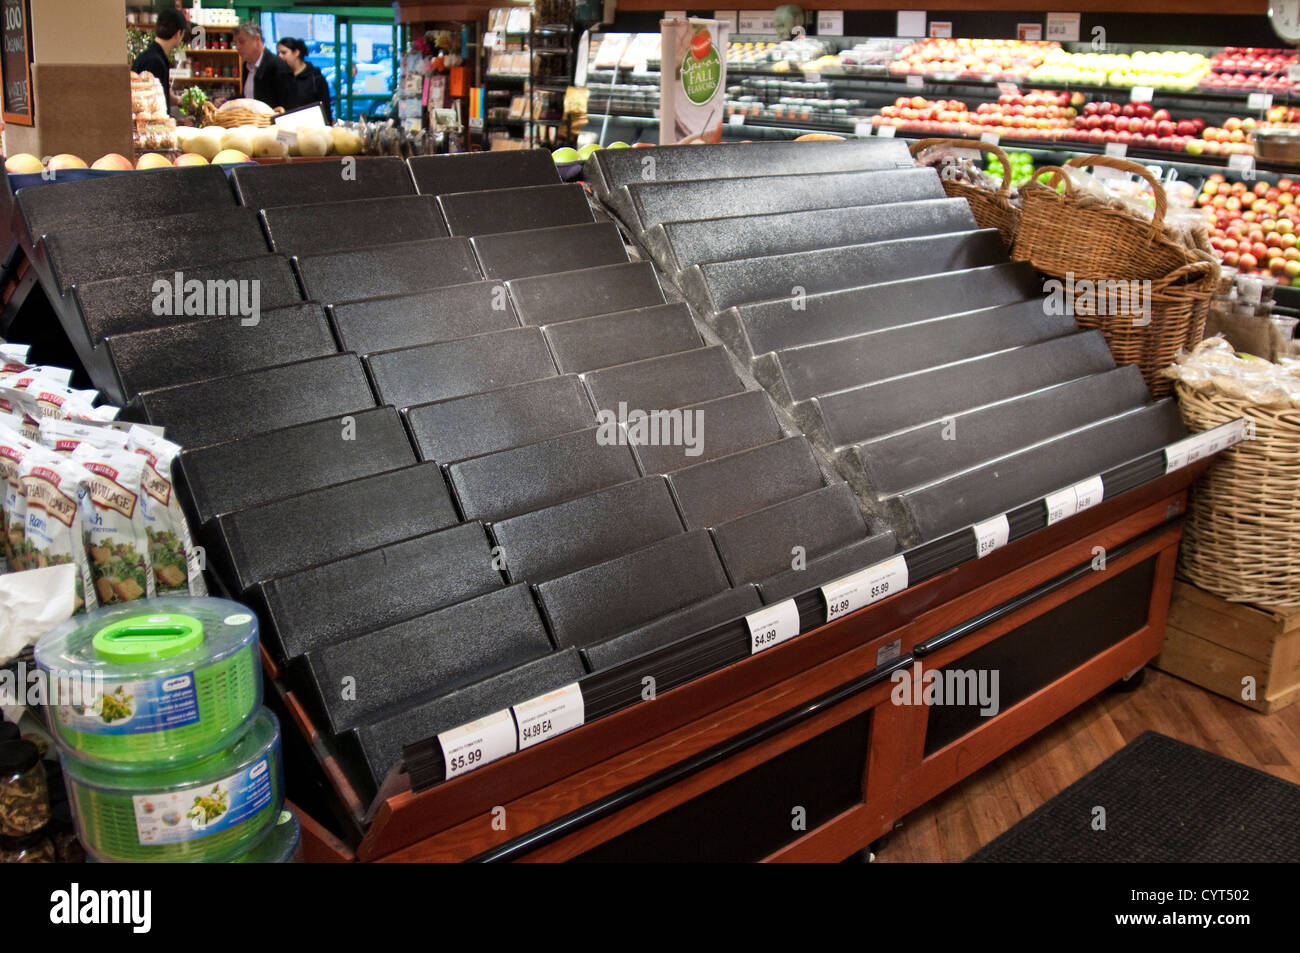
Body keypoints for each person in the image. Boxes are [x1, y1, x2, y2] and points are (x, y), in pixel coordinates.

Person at [232, 21, 294, 110]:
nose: (237, 47)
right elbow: (250, 97)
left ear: (257, 39)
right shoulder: (246, 66)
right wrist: (228, 101)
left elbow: (288, 105)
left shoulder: (278, 67)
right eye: (235, 43)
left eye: (241, 42)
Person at [131, 8, 187, 107]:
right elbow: (150, 105)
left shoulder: (152, 56)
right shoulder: (154, 61)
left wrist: (178, 100)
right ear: (178, 33)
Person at [277, 38, 333, 125]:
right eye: (278, 53)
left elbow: (326, 109)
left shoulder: (316, 78)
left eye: (284, 53)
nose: (280, 56)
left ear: (296, 52)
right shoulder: (282, 77)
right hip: (288, 129)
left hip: (312, 130)